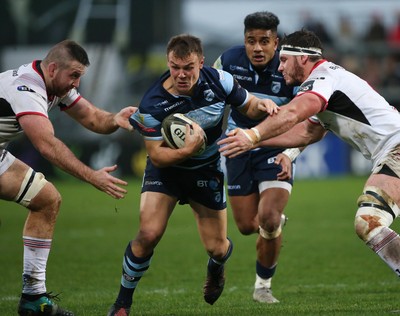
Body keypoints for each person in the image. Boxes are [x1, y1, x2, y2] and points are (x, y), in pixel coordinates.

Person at [107, 34, 279, 316]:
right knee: (148, 234)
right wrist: (189, 150)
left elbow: (247, 104)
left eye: (188, 67)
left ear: (201, 62)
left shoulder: (219, 80)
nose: (181, 74)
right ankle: (122, 304)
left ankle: (216, 268)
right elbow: (157, 155)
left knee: (218, 248)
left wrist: (264, 106)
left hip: (206, 169)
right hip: (167, 173)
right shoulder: (152, 102)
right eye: (175, 67)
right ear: (168, 63)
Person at [218, 29, 400, 285]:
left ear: (302, 58)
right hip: (393, 151)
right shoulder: (328, 80)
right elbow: (307, 131)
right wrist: (251, 142)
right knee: (370, 222)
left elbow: (293, 114)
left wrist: (253, 135)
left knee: (369, 222)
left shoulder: (322, 77)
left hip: (397, 149)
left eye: (283, 60)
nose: (279, 68)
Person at [0, 39, 136, 316]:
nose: (76, 83)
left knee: (47, 199)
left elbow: (92, 118)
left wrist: (115, 119)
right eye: (74, 76)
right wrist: (91, 176)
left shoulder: (55, 84)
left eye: (79, 77)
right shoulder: (26, 88)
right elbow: (47, 145)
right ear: (53, 68)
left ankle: (33, 299)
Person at [212, 11, 300, 303]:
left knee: (269, 219)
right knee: (248, 226)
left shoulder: (290, 68)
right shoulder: (227, 61)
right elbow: (210, 96)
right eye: (251, 41)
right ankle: (272, 221)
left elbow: (307, 118)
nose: (257, 48)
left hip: (276, 149)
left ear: (277, 43)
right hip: (238, 146)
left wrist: (290, 152)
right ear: (244, 41)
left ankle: (263, 287)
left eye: (265, 41)